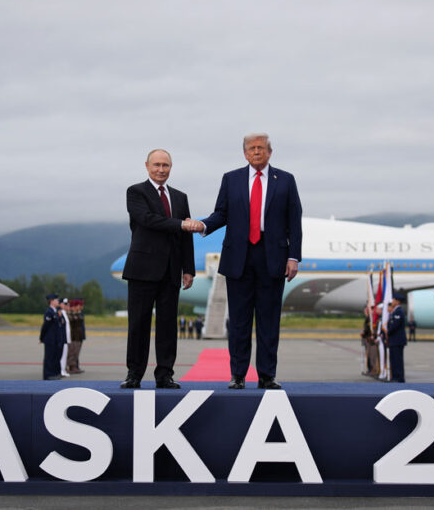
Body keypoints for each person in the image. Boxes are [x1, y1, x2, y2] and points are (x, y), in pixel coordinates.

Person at [192, 133, 303, 390]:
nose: (256, 152)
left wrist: (293, 256)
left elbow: (294, 221)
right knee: (239, 321)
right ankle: (238, 375)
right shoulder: (231, 179)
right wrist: (204, 225)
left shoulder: (285, 180)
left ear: (270, 152)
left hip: (272, 257)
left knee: (268, 320)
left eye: (261, 148)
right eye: (251, 148)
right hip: (239, 257)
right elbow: (221, 213)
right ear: (244, 153)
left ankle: (266, 375)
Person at [121, 149, 196, 389]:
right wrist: (181, 224)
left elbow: (186, 239)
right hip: (142, 269)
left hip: (171, 270)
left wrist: (189, 268)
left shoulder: (180, 197)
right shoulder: (136, 192)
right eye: (156, 165)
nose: (161, 169)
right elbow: (147, 220)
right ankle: (134, 374)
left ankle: (165, 375)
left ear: (171, 167)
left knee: (167, 327)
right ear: (147, 166)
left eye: (165, 165)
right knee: (139, 325)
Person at [39, 293, 66, 380]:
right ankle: (47, 375)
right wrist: (42, 338)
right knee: (49, 358)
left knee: (55, 357)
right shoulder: (49, 312)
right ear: (51, 301)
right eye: (56, 300)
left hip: (55, 339)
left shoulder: (55, 312)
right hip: (50, 339)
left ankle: (54, 373)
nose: (57, 301)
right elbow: (45, 326)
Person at [386, 294, 408, 383]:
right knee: (394, 359)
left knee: (397, 359)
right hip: (394, 340)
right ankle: (395, 376)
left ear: (398, 301)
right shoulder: (395, 311)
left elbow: (395, 325)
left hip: (397, 340)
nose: (392, 302)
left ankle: (399, 377)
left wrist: (387, 332)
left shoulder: (399, 311)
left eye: (394, 300)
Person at [66, 298, 86, 374]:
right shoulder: (71, 314)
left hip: (78, 336)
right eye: (80, 305)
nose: (81, 306)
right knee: (72, 352)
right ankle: (72, 366)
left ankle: (74, 366)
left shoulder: (78, 313)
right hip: (73, 336)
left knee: (76, 352)